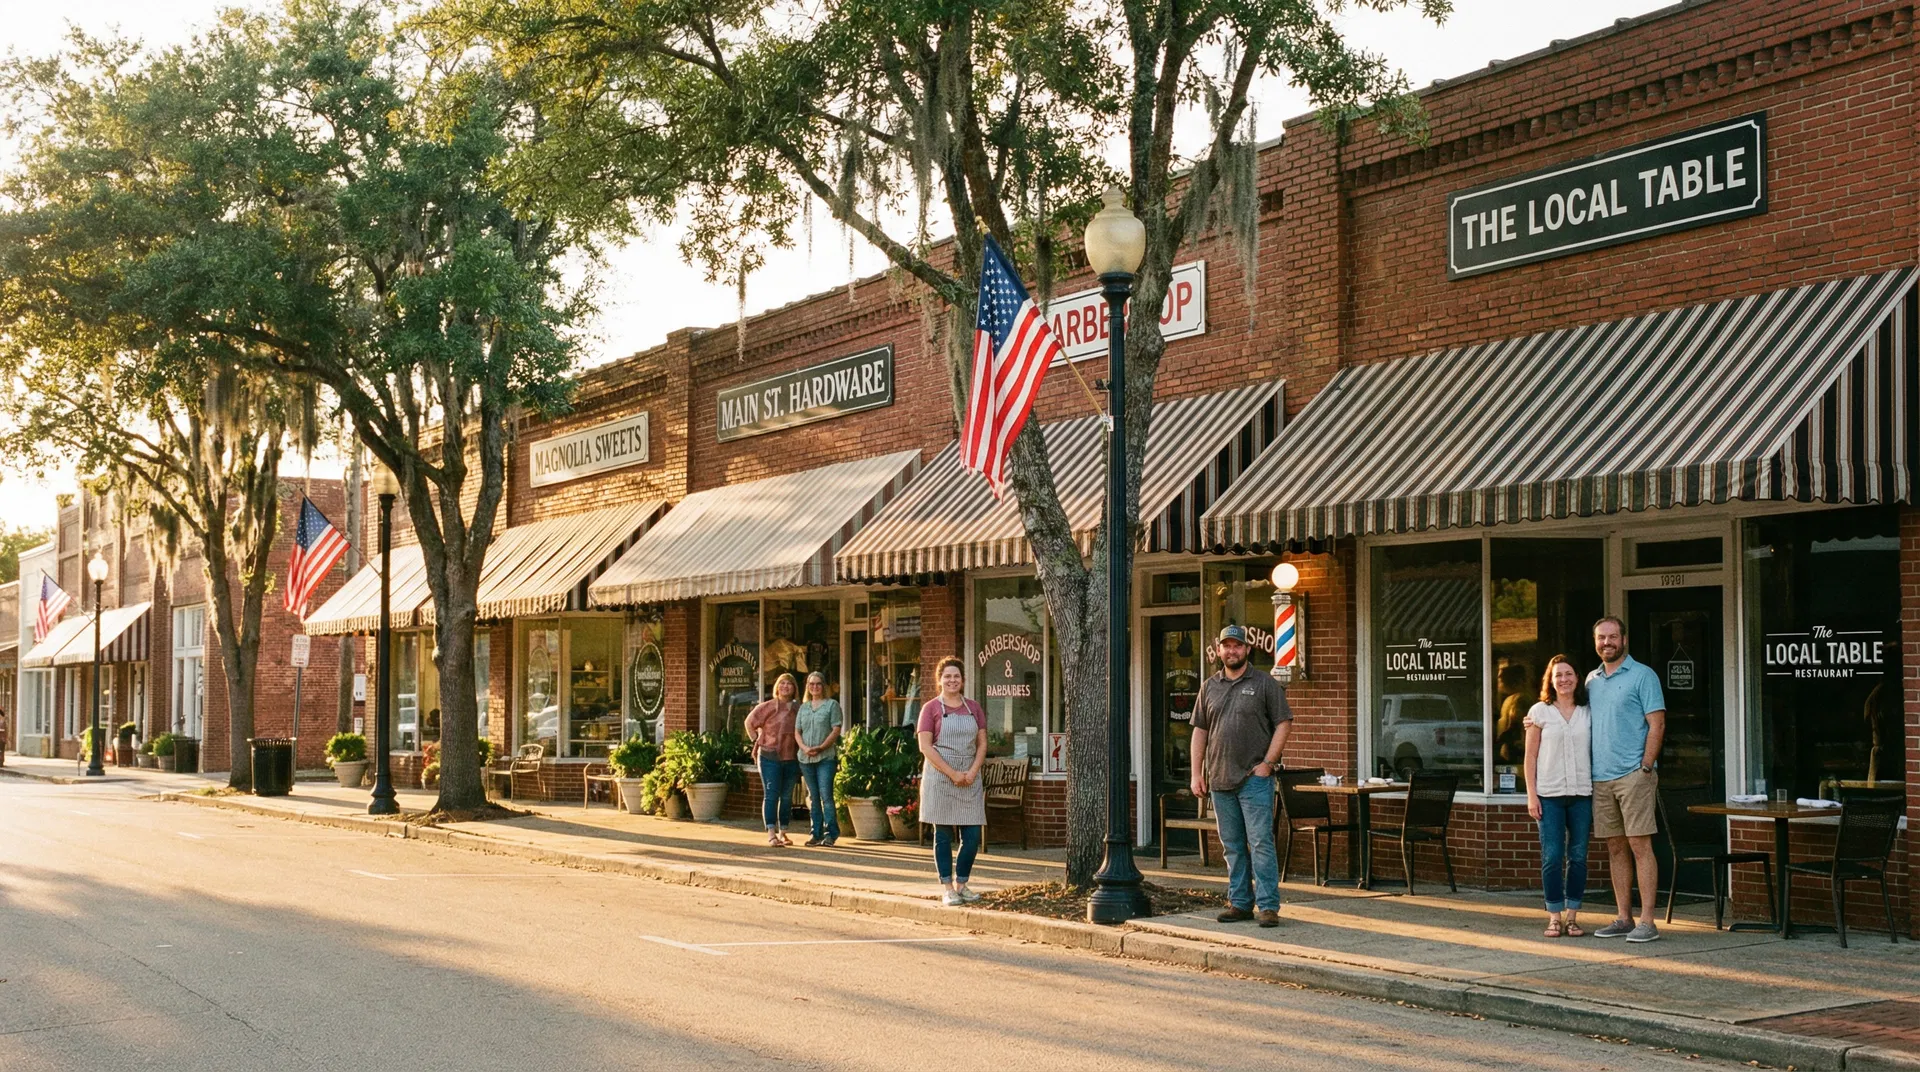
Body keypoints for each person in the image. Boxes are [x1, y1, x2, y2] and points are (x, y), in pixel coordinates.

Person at [1190, 624, 1293, 928]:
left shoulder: (1263, 683)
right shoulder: (1209, 686)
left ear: (1248, 650)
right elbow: (1200, 731)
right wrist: (1197, 773)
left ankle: (1268, 906)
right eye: (1227, 646)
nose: (1232, 651)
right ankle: (1239, 903)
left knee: (1260, 842)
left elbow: (1284, 723)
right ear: (1218, 650)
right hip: (1220, 780)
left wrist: (1269, 764)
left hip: (1254, 779)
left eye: (1238, 646)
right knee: (1232, 845)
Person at [1586, 616, 1667, 943]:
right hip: (1601, 779)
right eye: (1601, 638)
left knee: (1639, 845)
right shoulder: (1590, 680)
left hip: (1634, 775)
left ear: (1624, 640)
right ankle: (1623, 917)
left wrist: (1645, 767)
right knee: (1615, 848)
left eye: (1613, 637)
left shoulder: (1643, 675)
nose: (1607, 643)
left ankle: (1647, 921)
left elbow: (1657, 724)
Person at [1525, 654, 1592, 938]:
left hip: (1581, 794)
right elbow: (1530, 758)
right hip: (1549, 795)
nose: (1564, 679)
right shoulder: (1539, 712)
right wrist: (1531, 795)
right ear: (1550, 681)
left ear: (1577, 678)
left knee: (1578, 856)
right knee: (1552, 856)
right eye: (1558, 675)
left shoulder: (1588, 712)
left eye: (1569, 674)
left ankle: (1573, 917)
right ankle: (1554, 916)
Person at [916, 657, 987, 906]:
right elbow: (925, 746)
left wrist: (971, 771)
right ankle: (947, 887)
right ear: (940, 680)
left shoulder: (974, 708)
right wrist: (952, 773)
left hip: (970, 776)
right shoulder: (931, 709)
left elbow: (982, 743)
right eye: (947, 676)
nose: (952, 680)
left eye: (956, 676)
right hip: (940, 776)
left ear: (963, 680)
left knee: (972, 836)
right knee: (943, 835)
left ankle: (962, 884)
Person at [745, 673, 802, 847]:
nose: (785, 686)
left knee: (786, 796)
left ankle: (783, 832)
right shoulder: (767, 706)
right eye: (782, 683)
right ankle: (771, 833)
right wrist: (757, 740)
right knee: (771, 795)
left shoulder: (798, 709)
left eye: (789, 684)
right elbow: (749, 722)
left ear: (794, 688)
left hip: (791, 757)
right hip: (769, 755)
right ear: (777, 687)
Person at [794, 671, 843, 846]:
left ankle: (831, 834)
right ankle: (816, 833)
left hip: (825, 758)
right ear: (807, 687)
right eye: (811, 684)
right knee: (813, 797)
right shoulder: (803, 707)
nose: (814, 687)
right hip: (805, 758)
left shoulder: (832, 705)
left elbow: (836, 729)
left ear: (823, 686)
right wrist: (805, 748)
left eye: (818, 683)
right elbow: (797, 732)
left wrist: (821, 747)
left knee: (826, 796)